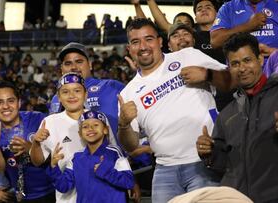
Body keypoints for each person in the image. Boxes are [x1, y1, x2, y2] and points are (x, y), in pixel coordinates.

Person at [118, 18, 227, 203]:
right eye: (136, 42)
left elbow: (231, 80)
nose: (143, 46)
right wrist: (124, 124)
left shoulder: (188, 56)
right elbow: (131, 145)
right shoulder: (127, 93)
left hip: (205, 161)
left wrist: (208, 75)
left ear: (160, 42)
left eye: (149, 39)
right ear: (129, 48)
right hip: (164, 170)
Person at [196, 32, 278, 202]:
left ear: (260, 60)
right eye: (235, 63)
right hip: (237, 198)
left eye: (247, 60)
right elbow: (222, 164)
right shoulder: (227, 114)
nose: (242, 68)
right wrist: (209, 152)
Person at [31, 73, 115, 202]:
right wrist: (36, 142)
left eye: (77, 90)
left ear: (86, 94)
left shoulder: (99, 118)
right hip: (68, 198)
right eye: (65, 92)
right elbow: (37, 161)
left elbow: (114, 155)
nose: (71, 96)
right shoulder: (50, 122)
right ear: (58, 97)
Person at [0, 82, 55, 203]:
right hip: (20, 196)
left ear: (18, 103)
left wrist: (31, 148)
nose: (5, 106)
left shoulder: (38, 119)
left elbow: (56, 156)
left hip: (52, 190)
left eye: (10, 101)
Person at [47, 110, 134, 203]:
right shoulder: (76, 158)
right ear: (80, 134)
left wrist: (106, 172)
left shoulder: (115, 153)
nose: (90, 128)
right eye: (85, 127)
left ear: (105, 130)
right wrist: (53, 167)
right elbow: (63, 187)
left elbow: (129, 182)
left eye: (96, 125)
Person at [49, 42, 125, 142]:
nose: (73, 67)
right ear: (62, 69)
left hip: (110, 154)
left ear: (90, 65)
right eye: (68, 63)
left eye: (79, 62)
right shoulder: (57, 99)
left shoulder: (112, 86)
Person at [210, 0, 278, 56]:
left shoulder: (276, 6)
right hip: (240, 68)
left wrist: (273, 52)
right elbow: (215, 41)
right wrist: (248, 26)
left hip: (273, 67)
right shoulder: (228, 8)